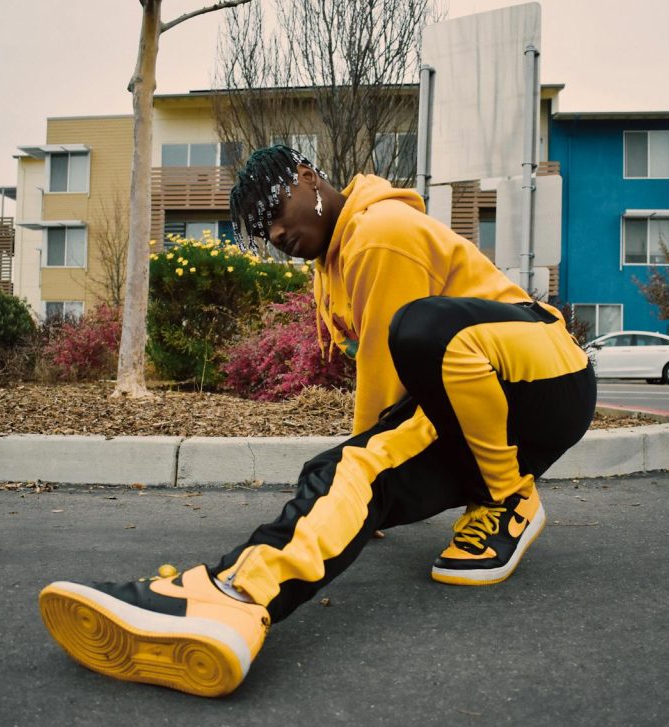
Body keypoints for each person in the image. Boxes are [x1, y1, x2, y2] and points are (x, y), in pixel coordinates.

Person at [39, 145, 596, 698]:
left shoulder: (382, 231)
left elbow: (385, 368)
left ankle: (505, 497)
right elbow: (387, 409)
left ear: (308, 178)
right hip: (474, 409)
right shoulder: (331, 264)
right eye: (263, 231)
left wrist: (367, 449)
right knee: (340, 475)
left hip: (544, 376)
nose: (277, 236)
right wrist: (359, 481)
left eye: (275, 213)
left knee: (418, 334)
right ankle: (237, 598)